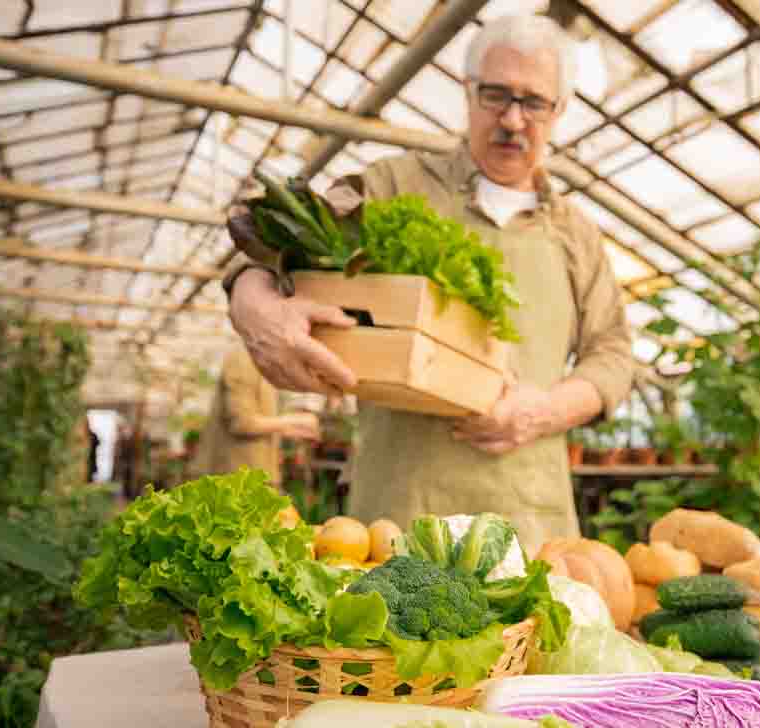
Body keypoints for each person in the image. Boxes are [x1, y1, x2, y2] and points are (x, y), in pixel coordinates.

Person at [221, 14, 635, 555]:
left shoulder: (575, 233)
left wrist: (542, 411)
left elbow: (614, 354)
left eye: (534, 102)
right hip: (398, 517)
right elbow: (269, 243)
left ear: (559, 111)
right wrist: (252, 304)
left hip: (531, 525)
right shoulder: (395, 185)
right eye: (496, 95)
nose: (513, 119)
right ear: (467, 92)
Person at [188, 343, 322, 487]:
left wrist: (289, 429)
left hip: (251, 477)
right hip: (233, 480)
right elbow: (242, 423)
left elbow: (259, 421)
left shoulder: (265, 363)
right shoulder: (244, 360)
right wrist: (295, 421)